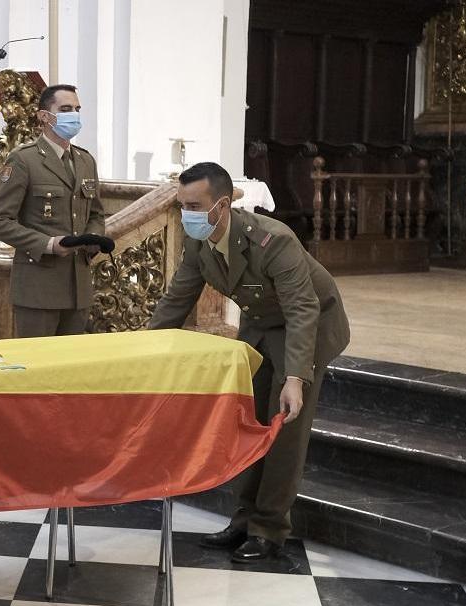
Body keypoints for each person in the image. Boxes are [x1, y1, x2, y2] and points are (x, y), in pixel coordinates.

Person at [148, 162, 350, 562]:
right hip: (260, 325)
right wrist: (144, 348)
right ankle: (242, 520)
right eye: (181, 204)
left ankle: (269, 529)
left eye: (193, 205)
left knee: (282, 429)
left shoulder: (272, 240)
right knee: (249, 421)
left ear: (221, 206)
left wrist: (295, 377)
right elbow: (177, 299)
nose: (185, 214)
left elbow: (302, 308)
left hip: (309, 326)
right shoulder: (200, 243)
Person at [0, 83, 107, 338]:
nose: (73, 115)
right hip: (38, 287)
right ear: (44, 116)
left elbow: (95, 213)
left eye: (77, 109)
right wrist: (48, 244)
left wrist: (93, 239)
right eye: (65, 109)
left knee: (69, 371)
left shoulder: (86, 161)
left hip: (78, 286)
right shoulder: (24, 160)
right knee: (36, 369)